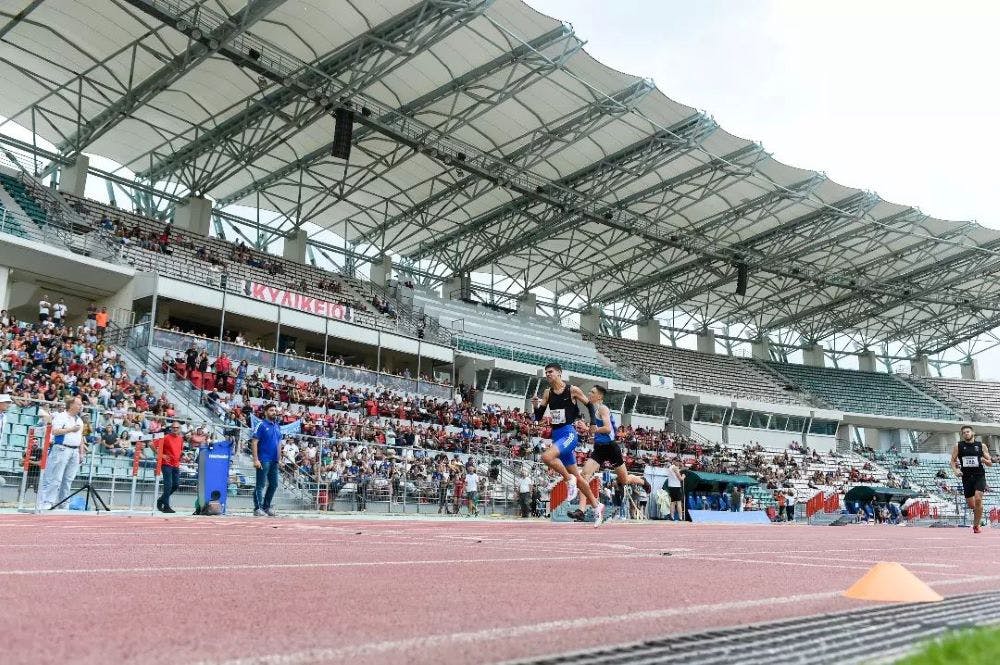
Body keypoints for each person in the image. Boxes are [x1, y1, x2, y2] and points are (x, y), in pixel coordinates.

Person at [531, 363, 604, 526]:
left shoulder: (572, 390)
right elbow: (538, 417)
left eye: (551, 372)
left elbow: (589, 405)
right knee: (578, 478)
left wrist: (593, 423)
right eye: (546, 372)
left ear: (559, 373)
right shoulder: (547, 393)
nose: (548, 374)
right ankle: (597, 505)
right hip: (557, 436)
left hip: (569, 433)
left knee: (546, 457)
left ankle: (567, 478)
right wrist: (535, 405)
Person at [571, 385, 647, 523]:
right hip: (599, 449)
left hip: (611, 448)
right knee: (583, 475)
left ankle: (642, 481)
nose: (589, 393)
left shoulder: (603, 408)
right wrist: (587, 429)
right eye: (590, 391)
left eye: (592, 392)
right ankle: (581, 511)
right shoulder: (593, 410)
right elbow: (596, 430)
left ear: (599, 396)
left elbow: (607, 428)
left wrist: (589, 428)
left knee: (624, 480)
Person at [40, 397, 86, 509]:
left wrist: (81, 452)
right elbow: (55, 431)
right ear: (71, 405)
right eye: (79, 404)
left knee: (68, 479)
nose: (81, 406)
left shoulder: (79, 420)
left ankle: (63, 502)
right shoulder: (61, 416)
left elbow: (80, 437)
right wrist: (70, 429)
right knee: (56, 477)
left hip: (75, 451)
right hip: (62, 448)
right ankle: (48, 501)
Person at [951, 425, 993, 534]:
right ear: (962, 435)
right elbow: (952, 460)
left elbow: (990, 463)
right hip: (966, 477)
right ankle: (978, 513)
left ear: (973, 433)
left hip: (979, 476)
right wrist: (956, 471)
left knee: (978, 498)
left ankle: (976, 525)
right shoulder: (958, 446)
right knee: (972, 505)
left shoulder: (981, 446)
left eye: (968, 432)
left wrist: (984, 460)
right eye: (964, 432)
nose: (966, 434)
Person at [250, 403, 282, 517]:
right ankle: (257, 508)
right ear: (266, 412)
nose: (274, 412)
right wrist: (255, 459)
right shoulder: (261, 425)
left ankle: (266, 507)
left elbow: (279, 443)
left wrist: (279, 458)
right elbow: (254, 442)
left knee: (274, 484)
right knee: (260, 485)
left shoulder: (278, 426)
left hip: (274, 460)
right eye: (271, 410)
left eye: (275, 410)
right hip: (263, 459)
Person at [156, 422, 184, 513]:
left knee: (176, 485)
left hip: (176, 464)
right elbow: (152, 444)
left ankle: (161, 500)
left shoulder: (180, 439)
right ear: (171, 428)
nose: (175, 429)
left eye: (177, 427)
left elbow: (179, 450)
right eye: (174, 427)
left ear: (179, 429)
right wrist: (161, 455)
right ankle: (166, 506)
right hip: (166, 464)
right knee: (168, 485)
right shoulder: (166, 437)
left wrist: (181, 456)